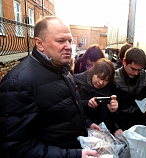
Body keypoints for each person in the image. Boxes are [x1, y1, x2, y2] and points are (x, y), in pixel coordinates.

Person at [0, 16, 101, 158]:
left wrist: (87, 124)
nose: (68, 46)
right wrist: (73, 155)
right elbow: (16, 147)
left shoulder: (62, 69)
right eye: (60, 41)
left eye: (69, 41)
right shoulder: (18, 83)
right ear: (39, 43)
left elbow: (64, 111)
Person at [113, 47, 146, 136]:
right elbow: (107, 108)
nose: (136, 73)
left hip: (140, 124)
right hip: (120, 124)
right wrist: (116, 127)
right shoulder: (113, 78)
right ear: (124, 62)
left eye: (139, 70)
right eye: (133, 69)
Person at [74, 58, 118, 134]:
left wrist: (112, 111)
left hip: (99, 132)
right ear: (93, 72)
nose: (101, 82)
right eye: (100, 77)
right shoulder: (77, 81)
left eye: (106, 80)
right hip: (79, 130)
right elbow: (71, 107)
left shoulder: (110, 89)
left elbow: (110, 119)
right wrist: (87, 103)